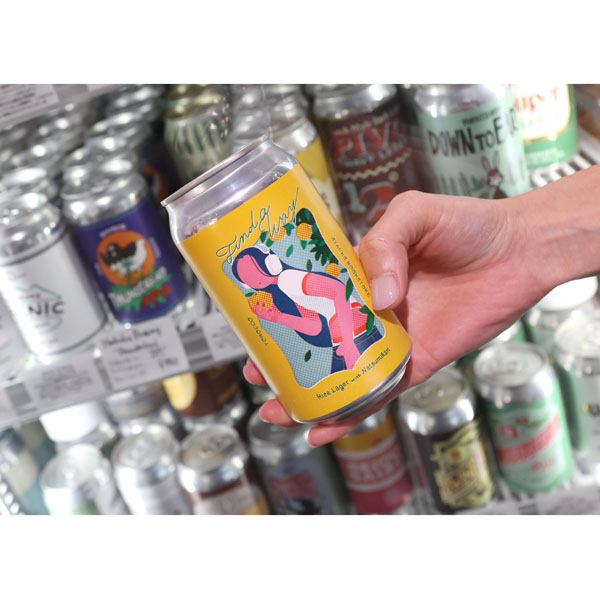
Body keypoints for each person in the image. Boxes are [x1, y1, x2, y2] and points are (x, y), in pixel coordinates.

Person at [243, 165, 600, 447]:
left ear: (267, 266)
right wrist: (278, 317)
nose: (253, 283)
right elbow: (313, 326)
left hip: (354, 336)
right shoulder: (282, 291)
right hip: (346, 345)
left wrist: (515, 238)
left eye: (253, 274)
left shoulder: (290, 280)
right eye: (246, 280)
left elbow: (337, 293)